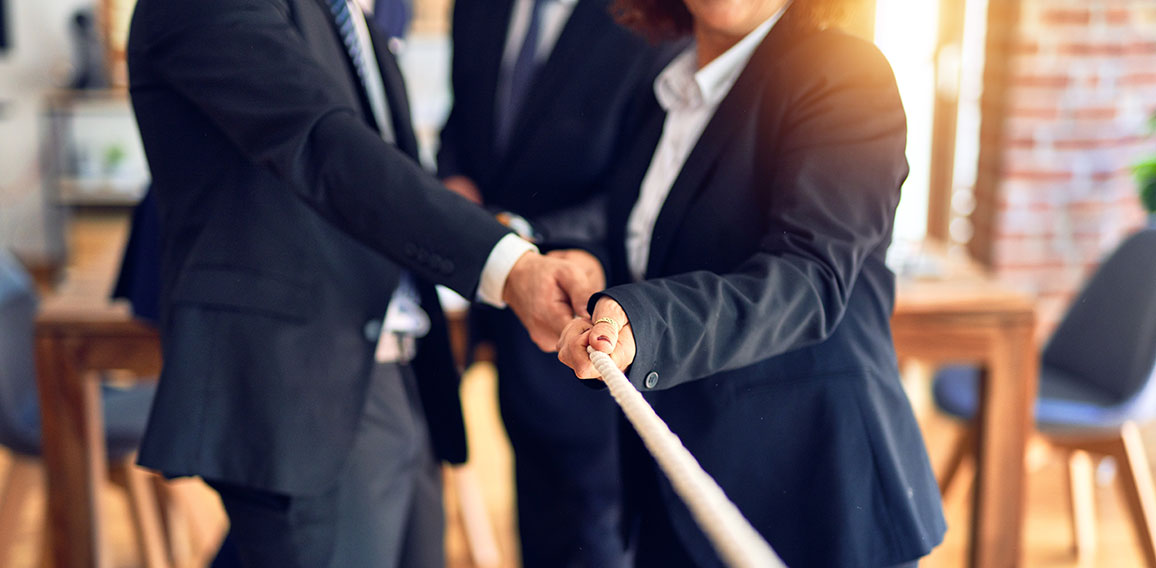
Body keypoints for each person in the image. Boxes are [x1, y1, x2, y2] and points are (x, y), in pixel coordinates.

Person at [126, 0, 597, 565]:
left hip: (401, 373)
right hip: (302, 390)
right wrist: (510, 266)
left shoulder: (343, 12)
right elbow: (325, 146)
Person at [557, 0, 947, 566]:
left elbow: (807, 278)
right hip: (678, 479)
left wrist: (642, 322)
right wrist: (585, 264)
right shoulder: (663, 85)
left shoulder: (845, 73)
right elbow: (648, 229)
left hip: (810, 494)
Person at [436, 1, 675, 565]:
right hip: (509, 331)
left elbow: (638, 192)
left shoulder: (649, 14)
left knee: (589, 538)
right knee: (538, 530)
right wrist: (452, 181)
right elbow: (462, 123)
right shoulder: (476, 8)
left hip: (594, 335)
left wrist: (513, 236)